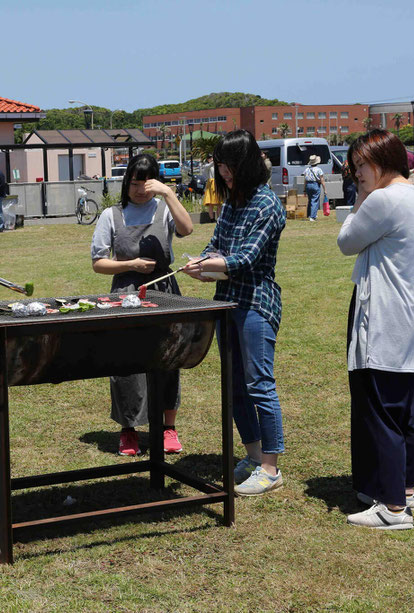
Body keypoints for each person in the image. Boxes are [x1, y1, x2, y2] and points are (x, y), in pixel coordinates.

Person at [337, 129, 414, 530]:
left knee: (379, 409)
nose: (357, 174)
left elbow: (346, 241)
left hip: (381, 314)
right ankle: (404, 491)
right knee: (404, 406)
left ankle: (392, 507)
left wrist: (362, 198)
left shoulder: (382, 199)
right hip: (411, 313)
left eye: (362, 165)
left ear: (383, 161)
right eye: (354, 166)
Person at [182, 130, 287, 497]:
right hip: (227, 302)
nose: (223, 173)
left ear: (245, 165)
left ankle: (271, 467)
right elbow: (217, 245)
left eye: (228, 166)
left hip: (256, 303)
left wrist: (213, 264)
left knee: (259, 383)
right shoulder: (231, 203)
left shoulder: (267, 205)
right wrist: (199, 261)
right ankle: (253, 456)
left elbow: (247, 258)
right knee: (234, 386)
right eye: (219, 165)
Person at [91, 154, 193, 456]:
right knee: (127, 361)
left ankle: (168, 428)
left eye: (146, 184)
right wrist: (131, 264)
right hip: (125, 292)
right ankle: (129, 431)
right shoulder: (112, 214)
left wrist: (169, 193)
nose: (140, 190)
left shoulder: (163, 209)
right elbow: (98, 263)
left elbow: (187, 229)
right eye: (135, 184)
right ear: (127, 183)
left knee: (168, 358)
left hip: (164, 292)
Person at [303, 154, 325, 221]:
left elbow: (305, 180)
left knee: (310, 200)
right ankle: (312, 216)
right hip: (315, 185)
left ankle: (310, 214)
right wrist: (325, 189)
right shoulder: (319, 170)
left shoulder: (306, 169)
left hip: (308, 185)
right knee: (315, 200)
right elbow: (322, 180)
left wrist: (304, 189)